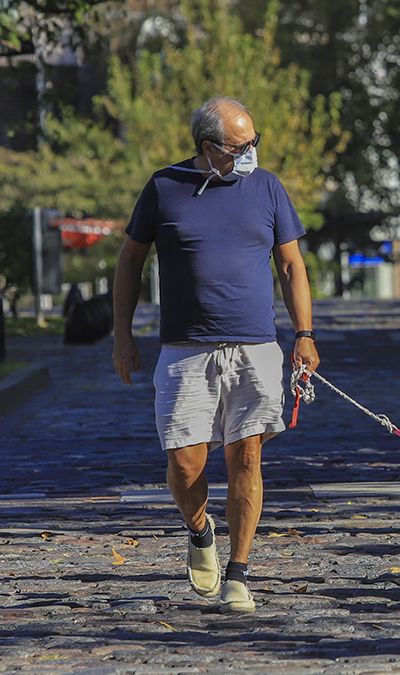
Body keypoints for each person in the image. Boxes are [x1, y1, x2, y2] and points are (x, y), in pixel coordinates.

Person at [112, 96, 319, 613]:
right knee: (185, 463)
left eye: (254, 142)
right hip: (185, 350)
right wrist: (122, 335)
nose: (251, 152)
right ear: (209, 147)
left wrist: (305, 334)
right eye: (240, 146)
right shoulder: (164, 187)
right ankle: (200, 530)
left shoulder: (267, 187)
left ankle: (239, 573)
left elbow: (292, 266)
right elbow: (129, 262)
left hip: (254, 347)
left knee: (246, 455)